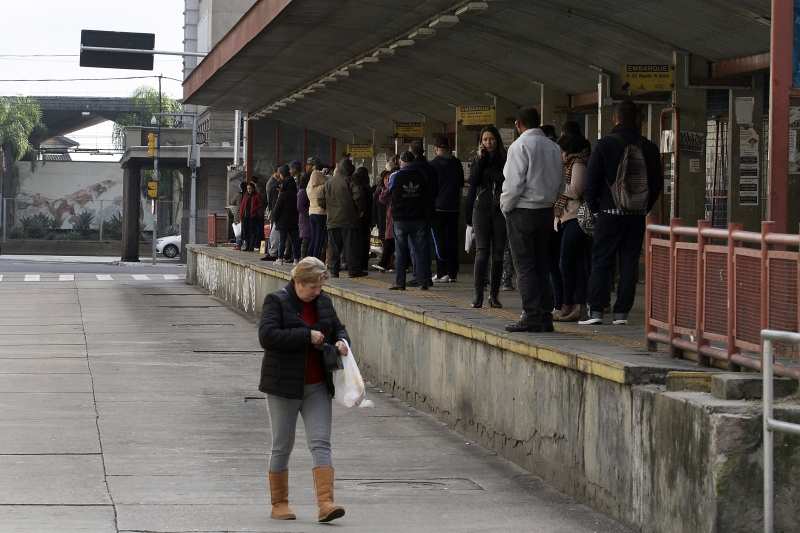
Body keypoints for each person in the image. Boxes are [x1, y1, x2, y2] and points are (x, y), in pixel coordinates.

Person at [258, 257, 349, 523]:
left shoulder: (323, 303)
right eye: (313, 287)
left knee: (321, 442)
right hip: (283, 386)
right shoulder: (276, 301)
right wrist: (306, 335)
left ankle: (326, 503)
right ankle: (279, 503)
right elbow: (267, 336)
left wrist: (343, 341)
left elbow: (338, 328)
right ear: (298, 282)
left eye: (320, 287)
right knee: (282, 445)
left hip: (318, 385)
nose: (317, 292)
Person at [579, 101, 663, 325]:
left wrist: (595, 208)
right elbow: (657, 184)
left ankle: (596, 312)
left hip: (608, 212)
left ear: (615, 119)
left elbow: (591, 181)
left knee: (601, 262)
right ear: (638, 119)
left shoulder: (604, 145)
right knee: (629, 263)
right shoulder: (649, 147)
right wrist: (643, 206)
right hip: (636, 216)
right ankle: (621, 315)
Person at [501, 107, 565, 332]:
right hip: (546, 211)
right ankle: (545, 317)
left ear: (518, 125)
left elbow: (513, 183)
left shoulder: (519, 146)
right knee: (541, 264)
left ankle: (530, 315)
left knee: (525, 265)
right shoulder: (554, 147)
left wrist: (505, 207)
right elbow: (561, 183)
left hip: (522, 211)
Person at [553, 133, 592, 322]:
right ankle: (573, 305)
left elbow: (576, 190)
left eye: (560, 151)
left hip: (576, 217)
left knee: (566, 262)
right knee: (575, 264)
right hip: (566, 218)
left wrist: (557, 186)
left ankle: (573, 303)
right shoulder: (566, 165)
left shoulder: (577, 163)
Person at [468, 125, 508, 309]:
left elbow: (504, 179)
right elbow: (473, 181)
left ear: (497, 140)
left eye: (491, 139)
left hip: (500, 210)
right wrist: (480, 161)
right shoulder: (478, 160)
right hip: (481, 209)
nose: (488, 142)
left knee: (498, 253)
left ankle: (494, 294)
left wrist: (489, 172)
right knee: (481, 252)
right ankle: (478, 295)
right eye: (485, 139)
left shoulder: (505, 158)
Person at [380, 151, 430, 290]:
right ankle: (423, 281)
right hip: (418, 218)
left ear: (401, 162)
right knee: (421, 250)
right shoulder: (422, 175)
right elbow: (426, 192)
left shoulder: (395, 176)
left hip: (400, 219)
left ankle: (400, 282)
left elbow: (388, 190)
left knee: (401, 251)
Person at [317, 158, 366, 278]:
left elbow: (320, 199)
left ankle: (334, 270)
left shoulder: (329, 182)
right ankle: (353, 270)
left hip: (332, 220)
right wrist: (360, 209)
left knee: (334, 246)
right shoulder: (350, 181)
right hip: (349, 220)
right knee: (350, 246)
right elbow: (358, 195)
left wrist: (329, 208)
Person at [430, 136, 463, 283]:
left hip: (438, 208)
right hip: (454, 207)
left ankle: (441, 272)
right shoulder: (457, 163)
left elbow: (431, 187)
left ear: (436, 149)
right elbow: (461, 183)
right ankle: (453, 273)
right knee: (453, 239)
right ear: (449, 148)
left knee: (439, 240)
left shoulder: (434, 165)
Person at [273, 174, 301, 265]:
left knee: (282, 240)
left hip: (282, 222)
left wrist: (275, 219)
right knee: (294, 241)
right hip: (293, 221)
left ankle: (280, 259)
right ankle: (296, 259)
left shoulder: (283, 195)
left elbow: (277, 209)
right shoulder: (296, 195)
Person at [373, 170, 395, 272]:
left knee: (391, 241)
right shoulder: (379, 189)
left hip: (393, 219)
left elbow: (383, 198)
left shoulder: (390, 188)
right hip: (385, 219)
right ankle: (387, 263)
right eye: (385, 178)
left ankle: (386, 263)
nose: (387, 180)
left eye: (389, 178)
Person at [352, 167, 373, 272]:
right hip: (367, 218)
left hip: (357, 217)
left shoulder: (357, 187)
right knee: (365, 241)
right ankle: (364, 263)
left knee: (356, 241)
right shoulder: (368, 188)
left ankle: (357, 263)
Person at [261, 167, 284, 261]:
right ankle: (273, 252)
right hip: (276, 212)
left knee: (276, 233)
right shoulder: (274, 185)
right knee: (275, 233)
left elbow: (271, 200)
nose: (278, 174)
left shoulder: (275, 185)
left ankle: (274, 253)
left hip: (277, 213)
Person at [306, 169, 328, 259]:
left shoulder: (309, 188)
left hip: (312, 213)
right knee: (319, 239)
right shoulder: (321, 187)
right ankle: (316, 257)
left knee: (313, 238)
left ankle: (309, 257)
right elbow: (329, 182)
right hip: (321, 213)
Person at [239, 181, 265, 252]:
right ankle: (247, 245)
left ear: (253, 188)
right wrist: (241, 216)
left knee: (253, 231)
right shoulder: (245, 196)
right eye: (247, 188)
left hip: (253, 216)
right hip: (246, 216)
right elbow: (242, 206)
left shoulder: (257, 195)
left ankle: (251, 246)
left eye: (250, 188)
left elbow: (261, 203)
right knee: (246, 231)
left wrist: (255, 208)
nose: (248, 190)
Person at [297, 172, 312, 259]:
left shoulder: (306, 191)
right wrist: (309, 213)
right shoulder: (303, 192)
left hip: (307, 218)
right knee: (306, 240)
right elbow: (300, 207)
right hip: (305, 219)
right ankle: (303, 258)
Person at [231, 181, 246, 250]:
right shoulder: (247, 195)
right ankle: (246, 243)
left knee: (237, 230)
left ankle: (238, 245)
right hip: (246, 214)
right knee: (246, 229)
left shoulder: (238, 195)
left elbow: (232, 202)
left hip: (238, 214)